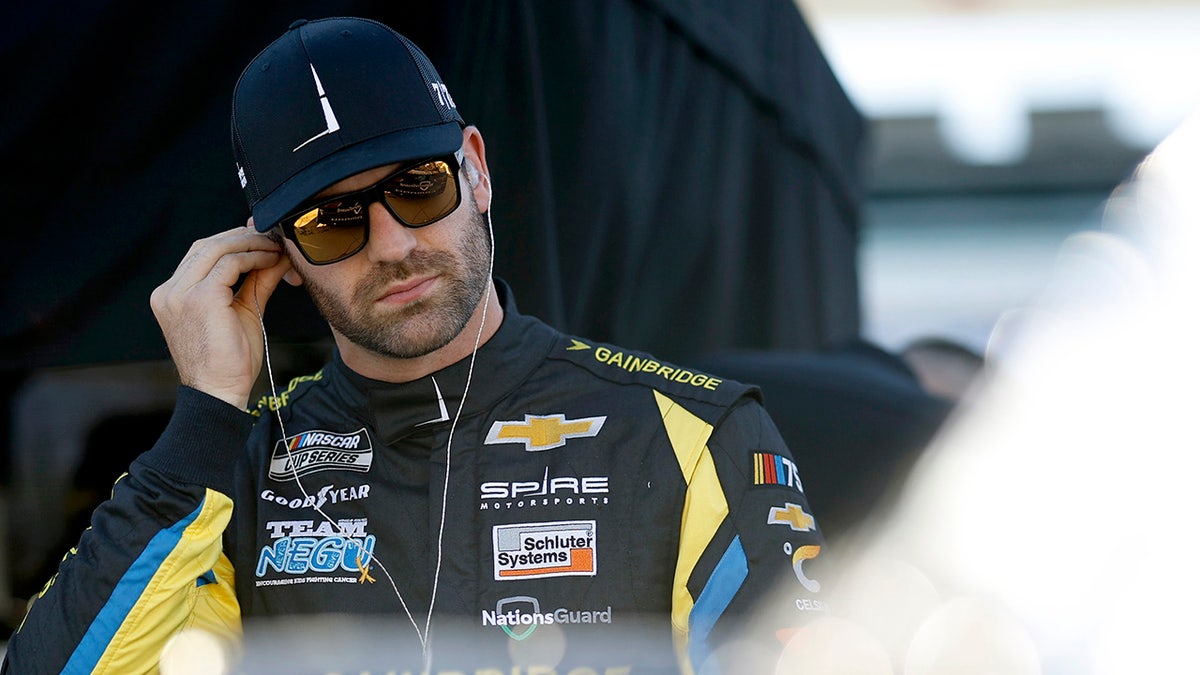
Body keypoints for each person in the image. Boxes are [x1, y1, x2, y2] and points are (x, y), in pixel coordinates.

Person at [1, 16, 824, 675]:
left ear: (475, 169)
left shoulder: (693, 436)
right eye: (332, 220)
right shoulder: (240, 469)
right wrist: (206, 418)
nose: (391, 244)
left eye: (416, 186)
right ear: (277, 253)